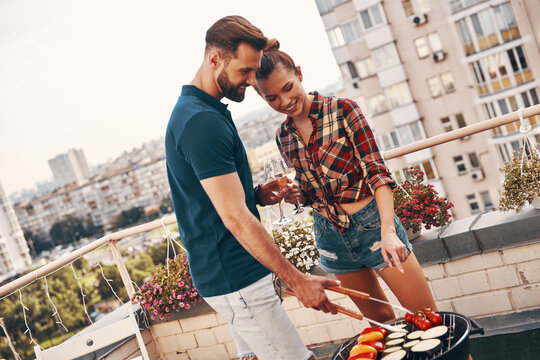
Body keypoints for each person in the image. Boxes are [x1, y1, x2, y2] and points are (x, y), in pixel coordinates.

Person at [164, 16, 340, 360]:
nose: (251, 81)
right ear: (215, 58)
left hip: (230, 275)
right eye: (245, 72)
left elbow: (216, 200)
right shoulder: (201, 122)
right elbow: (235, 218)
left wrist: (255, 194)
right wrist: (298, 281)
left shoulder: (199, 111)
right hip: (236, 276)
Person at [254, 42, 438, 323]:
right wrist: (296, 195)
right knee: (383, 325)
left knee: (428, 320)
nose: (284, 101)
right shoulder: (283, 136)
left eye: (288, 88)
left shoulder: (343, 110)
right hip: (330, 237)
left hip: (374, 227)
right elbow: (310, 192)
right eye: (272, 98)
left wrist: (388, 232)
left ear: (300, 74)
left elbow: (378, 173)